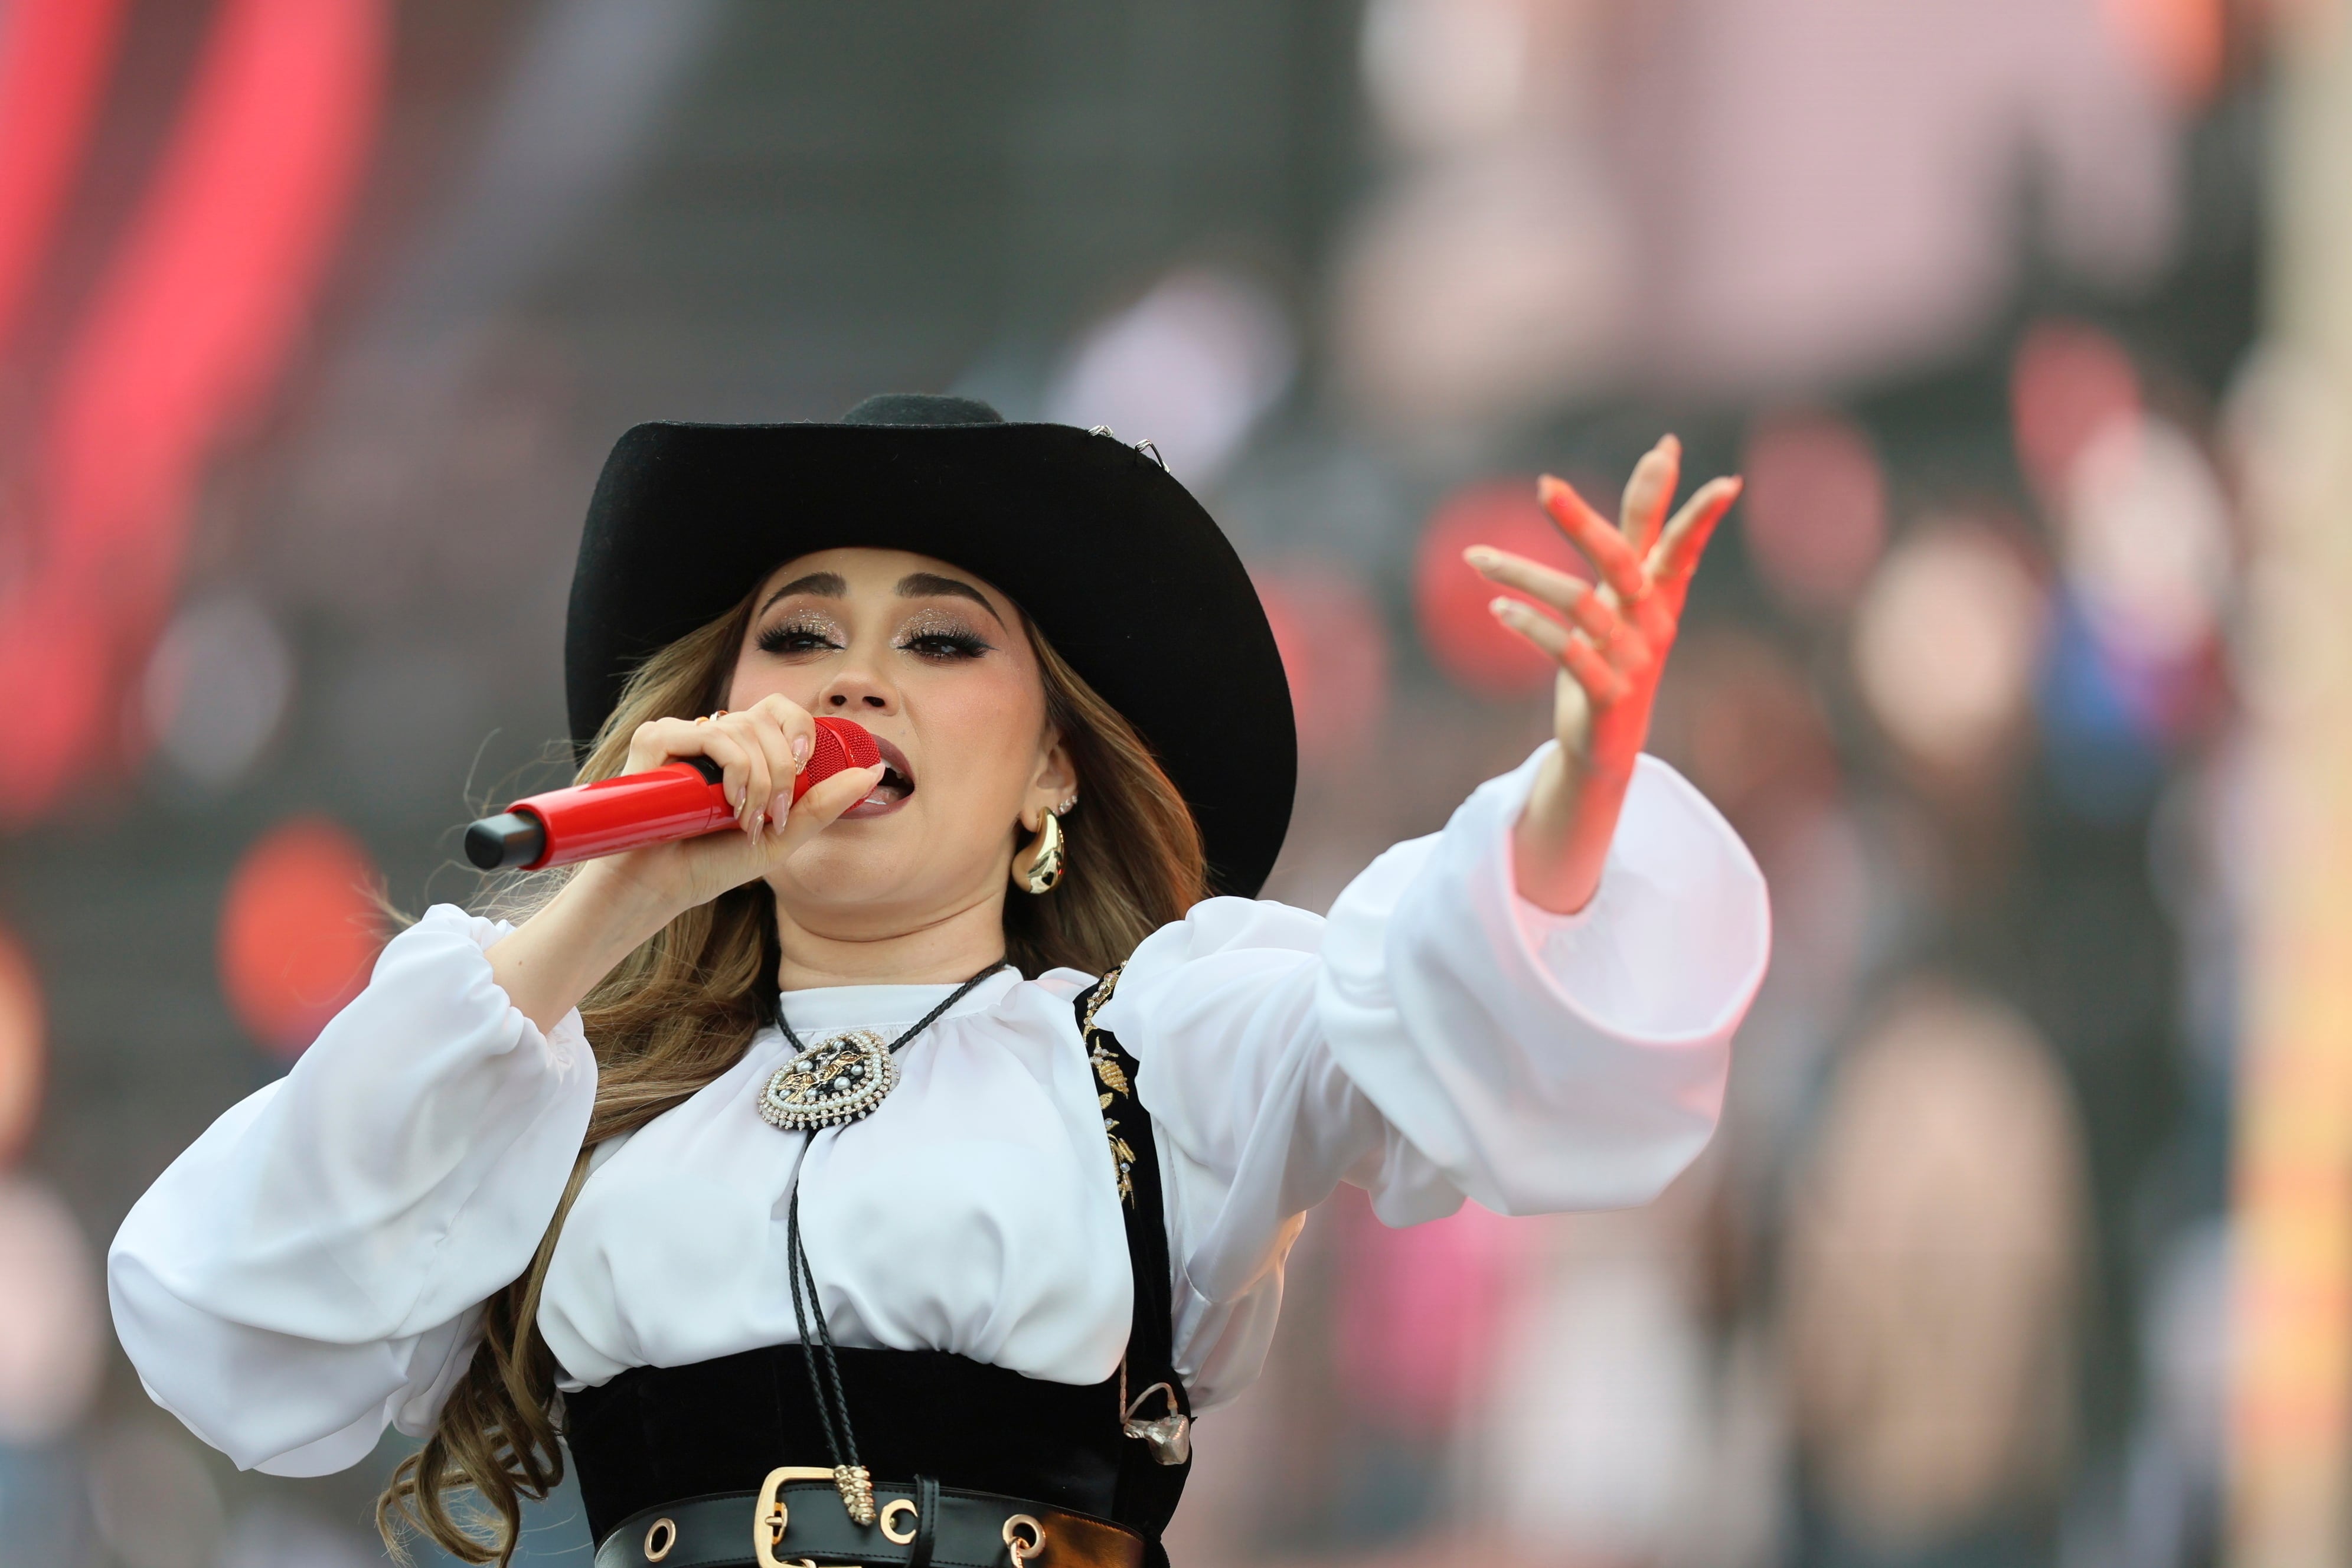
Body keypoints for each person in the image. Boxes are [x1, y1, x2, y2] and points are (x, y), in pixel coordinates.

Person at [108, 395, 1769, 1568]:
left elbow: (1470, 1002)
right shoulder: (576, 1097)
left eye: (944, 639)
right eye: (803, 634)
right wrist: (607, 912)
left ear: (1053, 770)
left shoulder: (1158, 1054)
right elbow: (235, 1315)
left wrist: (1578, 784)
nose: (857, 682)